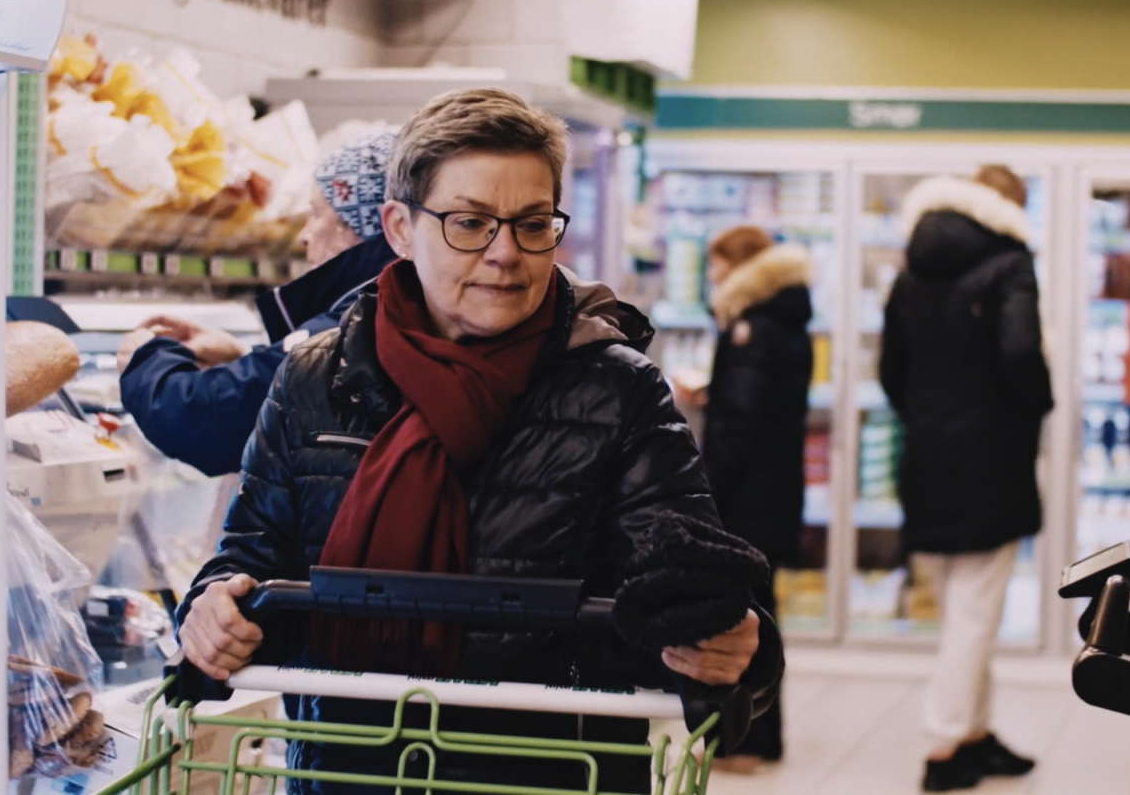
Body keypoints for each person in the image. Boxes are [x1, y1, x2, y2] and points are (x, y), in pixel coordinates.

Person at [175, 88, 784, 795]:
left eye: (532, 224)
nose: (505, 254)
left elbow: (684, 588)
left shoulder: (620, 395)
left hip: (554, 779)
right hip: (347, 769)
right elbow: (250, 556)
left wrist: (731, 643)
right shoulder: (314, 379)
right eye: (470, 223)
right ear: (399, 228)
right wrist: (215, 610)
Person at [879, 166, 1052, 792]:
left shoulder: (911, 269)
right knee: (975, 613)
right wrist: (1036, 406)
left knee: (962, 605)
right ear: (1009, 207)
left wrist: (930, 415)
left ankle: (976, 734)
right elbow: (1021, 353)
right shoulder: (1010, 265)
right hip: (991, 460)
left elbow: (890, 369)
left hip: (928, 454)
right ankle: (946, 745)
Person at [117, 131, 399, 477]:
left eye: (316, 213)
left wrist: (146, 360)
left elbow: (205, 419)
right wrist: (241, 356)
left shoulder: (359, 322)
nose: (303, 235)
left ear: (358, 222)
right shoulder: (390, 304)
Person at [697, 225, 812, 772]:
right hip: (776, 490)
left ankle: (743, 741)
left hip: (743, 498)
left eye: (718, 263)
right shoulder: (788, 322)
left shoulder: (750, 327)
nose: (712, 274)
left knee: (738, 617)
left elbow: (739, 424)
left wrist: (702, 491)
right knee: (764, 614)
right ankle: (768, 737)